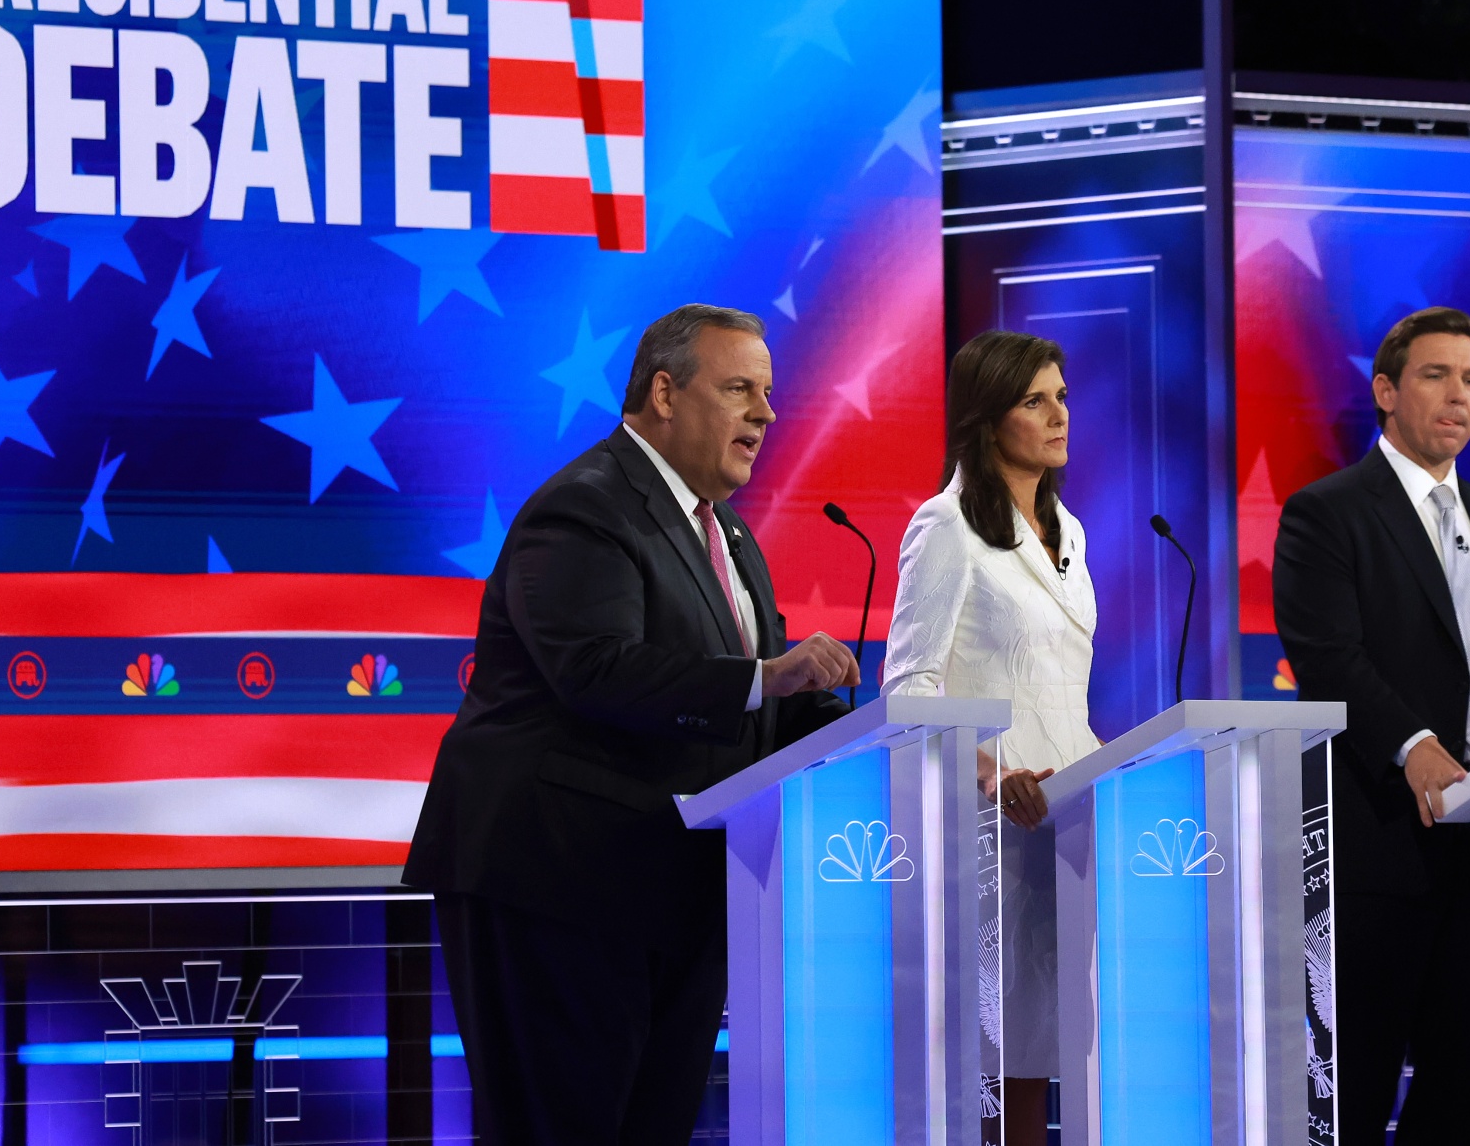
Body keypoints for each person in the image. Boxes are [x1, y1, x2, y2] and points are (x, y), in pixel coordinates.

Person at [403, 304, 858, 1145]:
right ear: (664, 392)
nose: (766, 413)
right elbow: (597, 669)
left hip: (670, 893)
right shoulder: (584, 508)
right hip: (557, 886)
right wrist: (767, 676)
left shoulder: (727, 532)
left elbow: (767, 697)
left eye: (768, 392)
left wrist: (881, 735)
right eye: (740, 389)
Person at [1272, 307, 1470, 1146]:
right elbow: (1330, 658)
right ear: (1385, 390)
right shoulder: (1326, 512)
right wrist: (1413, 745)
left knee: (1468, 1085)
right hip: (1377, 839)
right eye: (1436, 375)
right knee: (1358, 1080)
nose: (1459, 396)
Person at [883, 330, 1100, 1146]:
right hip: (994, 834)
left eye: (1062, 396)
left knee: (1055, 1049)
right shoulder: (944, 525)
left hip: (1074, 824)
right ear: (987, 417)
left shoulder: (1069, 530)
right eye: (1034, 400)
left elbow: (1061, 688)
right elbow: (908, 688)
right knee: (1001, 1064)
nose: (1058, 414)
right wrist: (991, 769)